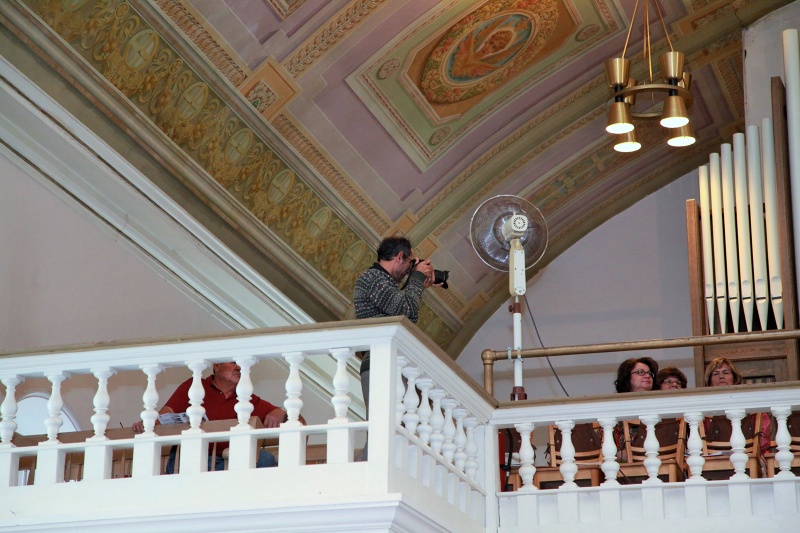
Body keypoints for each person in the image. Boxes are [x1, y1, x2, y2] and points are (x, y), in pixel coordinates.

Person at [353, 236, 440, 458]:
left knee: (397, 429)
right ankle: (369, 473)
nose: (409, 268)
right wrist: (417, 277)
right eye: (410, 262)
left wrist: (416, 280)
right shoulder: (372, 278)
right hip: (379, 363)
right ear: (400, 256)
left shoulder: (383, 281)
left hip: (389, 364)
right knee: (382, 429)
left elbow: (399, 307)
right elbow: (406, 311)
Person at [133, 362, 287, 472]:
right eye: (233, 363)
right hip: (191, 457)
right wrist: (148, 422)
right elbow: (166, 413)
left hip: (228, 461)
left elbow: (295, 419)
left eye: (241, 364)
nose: (239, 367)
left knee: (265, 458)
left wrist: (280, 411)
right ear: (216, 366)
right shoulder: (196, 386)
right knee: (193, 458)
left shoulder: (248, 399)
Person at [703, 357, 770, 456]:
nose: (721, 376)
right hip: (713, 458)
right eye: (716, 374)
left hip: (748, 455)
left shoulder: (750, 402)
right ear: (710, 381)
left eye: (726, 373)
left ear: (734, 378)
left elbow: (763, 432)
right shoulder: (703, 407)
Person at [613, 357, 659, 459]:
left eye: (649, 373)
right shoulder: (616, 406)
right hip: (625, 460)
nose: (647, 376)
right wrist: (618, 452)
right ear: (627, 377)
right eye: (640, 372)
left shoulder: (659, 405)